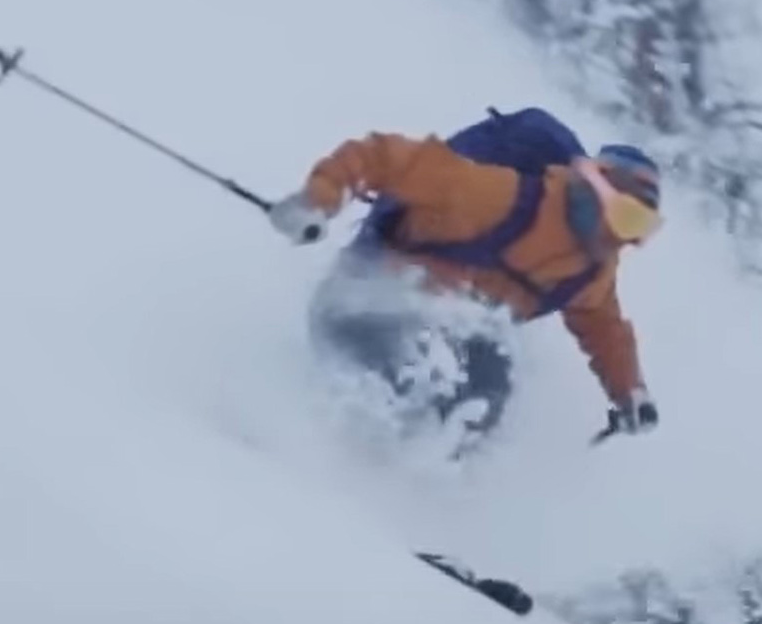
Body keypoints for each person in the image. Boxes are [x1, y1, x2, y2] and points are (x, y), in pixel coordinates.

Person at [265, 109, 662, 452]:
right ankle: (307, 450)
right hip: (360, 306)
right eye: (627, 218)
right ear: (594, 191)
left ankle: (424, 498)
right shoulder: (496, 197)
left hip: (444, 335)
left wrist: (630, 393)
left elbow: (604, 329)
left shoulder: (591, 271)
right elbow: (385, 158)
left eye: (643, 228)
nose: (627, 239)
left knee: (489, 382)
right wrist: (317, 201)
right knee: (434, 370)